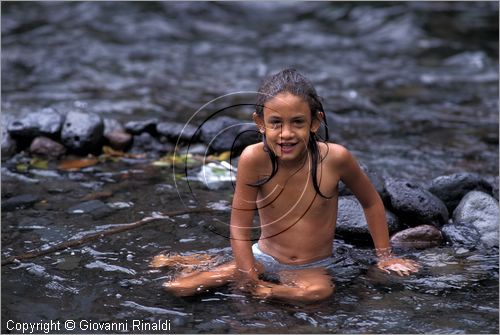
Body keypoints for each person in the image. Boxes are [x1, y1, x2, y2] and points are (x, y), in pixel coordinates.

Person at [150, 68, 420, 303]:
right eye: (276, 123)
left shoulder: (336, 158)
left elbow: (371, 202)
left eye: (297, 122)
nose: (287, 133)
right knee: (179, 288)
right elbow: (240, 223)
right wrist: (246, 269)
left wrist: (385, 256)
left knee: (317, 293)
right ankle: (195, 263)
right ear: (260, 124)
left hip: (312, 266)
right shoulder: (253, 159)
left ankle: (266, 291)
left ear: (315, 122)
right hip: (263, 258)